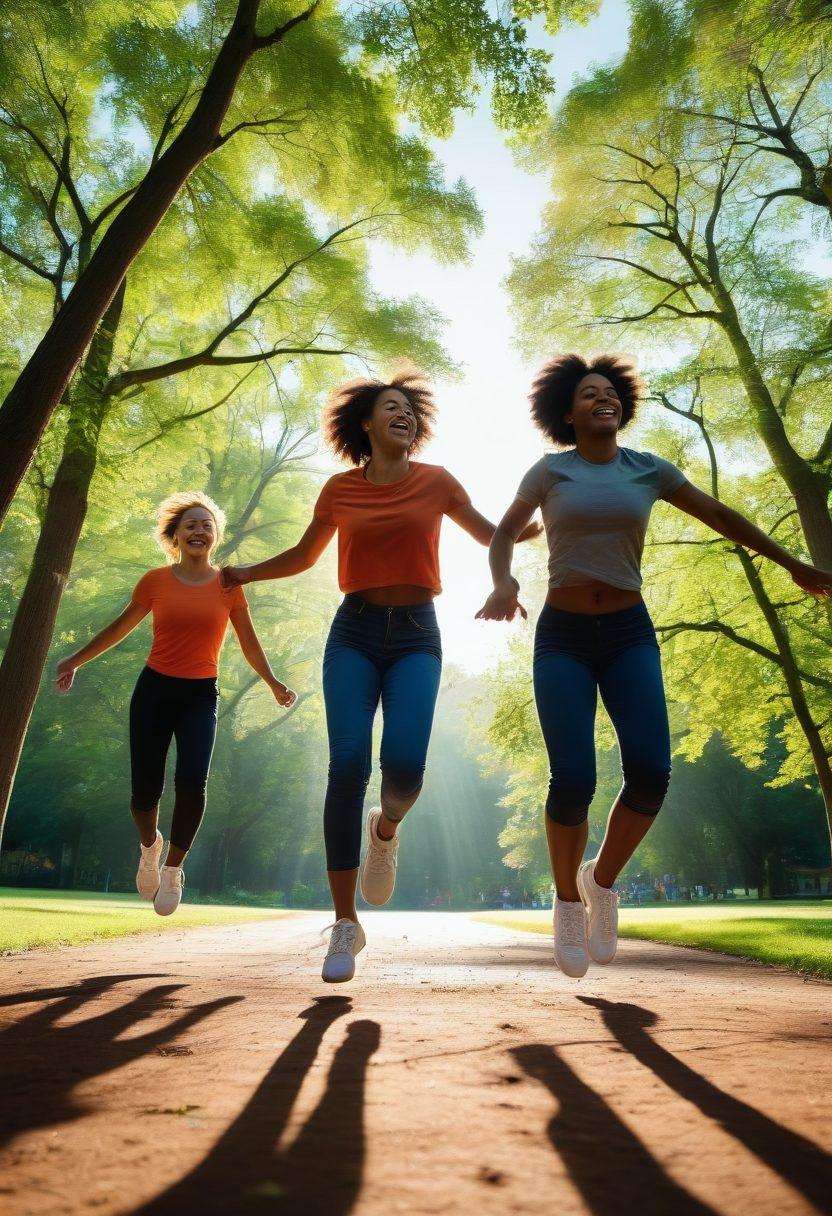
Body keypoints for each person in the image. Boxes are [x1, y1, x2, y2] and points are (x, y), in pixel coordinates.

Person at [477, 353, 832, 978]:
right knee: (573, 780)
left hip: (627, 632)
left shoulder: (649, 470)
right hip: (561, 635)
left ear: (623, 407)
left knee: (651, 772)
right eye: (589, 394)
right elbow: (504, 532)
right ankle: (565, 904)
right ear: (568, 411)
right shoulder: (550, 471)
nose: (603, 399)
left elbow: (721, 516)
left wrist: (791, 562)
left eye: (611, 392)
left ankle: (601, 884)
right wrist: (504, 583)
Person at [221, 364, 540, 983]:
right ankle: (345, 924)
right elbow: (303, 556)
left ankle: (385, 829)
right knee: (347, 766)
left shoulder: (438, 481)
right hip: (355, 632)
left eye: (410, 409)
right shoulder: (340, 490)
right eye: (390, 407)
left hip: (419, 634)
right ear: (364, 423)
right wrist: (247, 572)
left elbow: (493, 533)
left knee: (406, 769)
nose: (404, 415)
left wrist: (558, 509)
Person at [56, 492, 296, 915]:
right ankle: (150, 846)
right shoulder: (155, 582)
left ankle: (172, 869)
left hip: (200, 694)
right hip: (154, 691)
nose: (199, 530)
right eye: (190, 525)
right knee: (145, 791)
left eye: (206, 525)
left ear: (215, 536)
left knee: (192, 782)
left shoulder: (228, 585)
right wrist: (75, 660)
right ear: (176, 536)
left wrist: (273, 682)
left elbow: (249, 643)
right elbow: (120, 628)